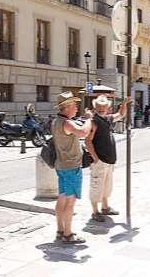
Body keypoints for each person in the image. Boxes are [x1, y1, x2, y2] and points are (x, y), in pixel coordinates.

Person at [52, 91, 92, 244]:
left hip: (62, 165)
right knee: (70, 201)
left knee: (62, 198)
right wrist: (88, 119)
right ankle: (68, 234)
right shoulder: (67, 123)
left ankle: (60, 230)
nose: (77, 108)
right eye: (74, 105)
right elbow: (83, 132)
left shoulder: (56, 121)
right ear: (67, 107)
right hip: (71, 167)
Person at [85, 95, 131, 222]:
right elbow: (88, 141)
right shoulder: (93, 121)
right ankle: (95, 212)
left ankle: (105, 207)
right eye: (99, 106)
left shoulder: (107, 118)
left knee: (106, 186)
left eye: (103, 106)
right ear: (95, 107)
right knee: (96, 186)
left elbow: (121, 115)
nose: (101, 108)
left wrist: (124, 103)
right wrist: (95, 158)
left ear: (107, 108)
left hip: (109, 160)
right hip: (100, 160)